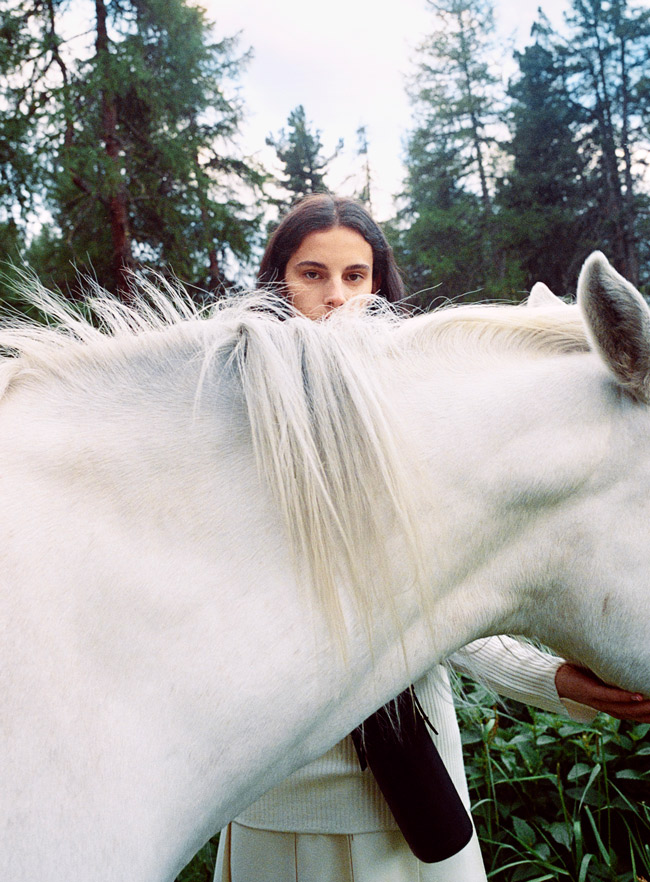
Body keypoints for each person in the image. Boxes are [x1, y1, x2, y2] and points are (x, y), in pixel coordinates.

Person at [215, 194, 650, 882]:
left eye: (355, 277)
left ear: (380, 287)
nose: (335, 298)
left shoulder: (413, 428)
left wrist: (556, 680)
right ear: (278, 283)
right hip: (279, 811)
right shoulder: (227, 429)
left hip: (420, 813)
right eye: (312, 274)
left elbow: (448, 609)